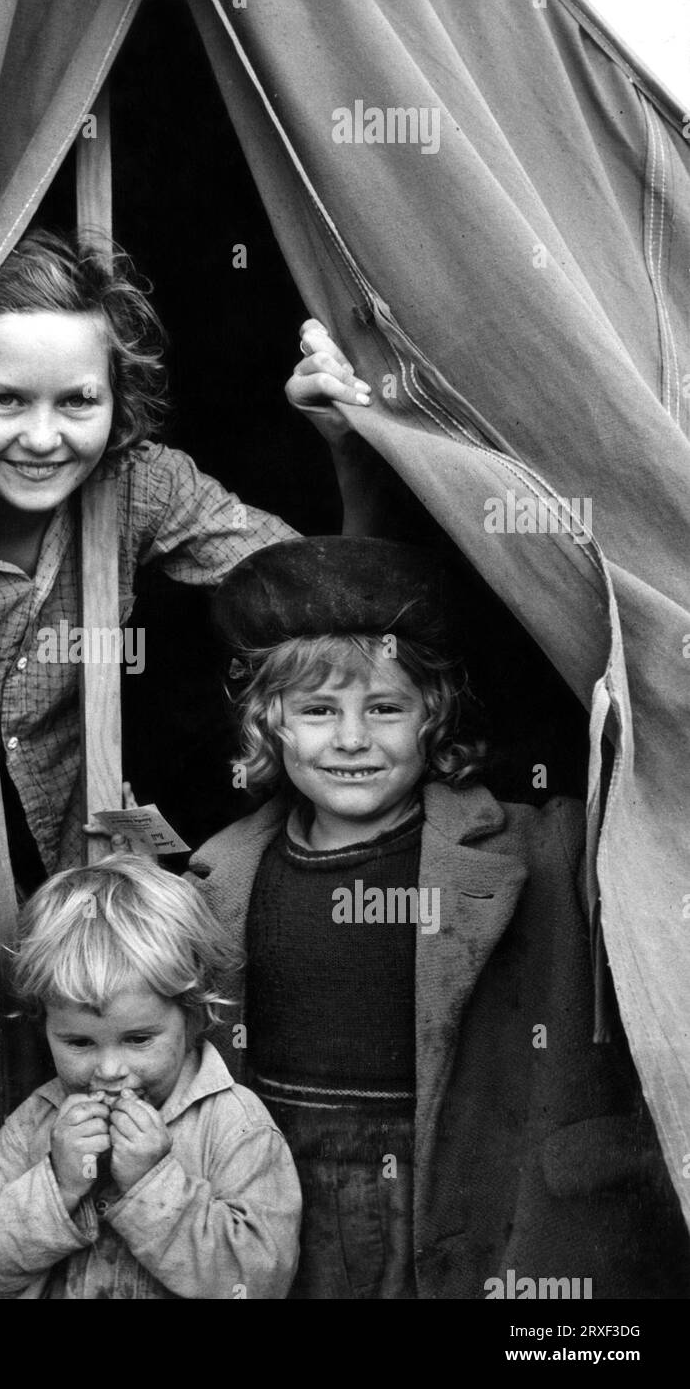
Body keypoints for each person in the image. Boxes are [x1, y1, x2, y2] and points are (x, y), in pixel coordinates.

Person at [187, 531, 690, 1298]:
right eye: (317, 709)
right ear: (267, 723)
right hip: (278, 1202)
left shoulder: (538, 849)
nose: (352, 739)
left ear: (434, 715)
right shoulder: (214, 876)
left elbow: (659, 767)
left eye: (385, 707)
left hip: (461, 1198)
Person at [0, 229, 303, 888]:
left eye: (76, 401)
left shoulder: (136, 484)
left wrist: (347, 445)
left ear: (116, 398)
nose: (41, 438)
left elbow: (313, 584)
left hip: (68, 877)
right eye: (5, 399)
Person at [0, 853, 301, 1298]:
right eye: (80, 1043)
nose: (108, 1071)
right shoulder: (38, 1120)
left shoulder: (236, 1126)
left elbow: (259, 1281)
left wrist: (153, 1183)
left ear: (194, 1019)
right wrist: (57, 1184)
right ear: (43, 1026)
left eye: (138, 1039)